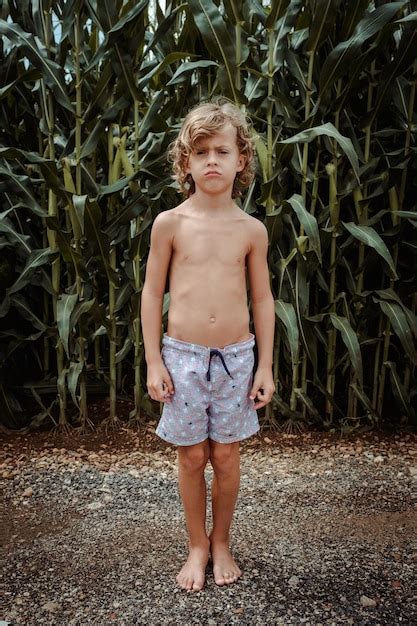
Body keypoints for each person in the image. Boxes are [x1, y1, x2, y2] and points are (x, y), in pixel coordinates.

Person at [140, 98, 275, 592]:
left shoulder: (251, 231)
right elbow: (153, 292)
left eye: (222, 150)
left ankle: (222, 542)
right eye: (200, 152)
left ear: (242, 160)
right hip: (184, 358)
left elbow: (263, 299)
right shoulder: (170, 224)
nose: (212, 160)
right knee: (193, 456)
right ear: (186, 163)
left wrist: (265, 367)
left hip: (237, 359)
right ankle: (197, 546)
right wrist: (155, 360)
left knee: (227, 457)